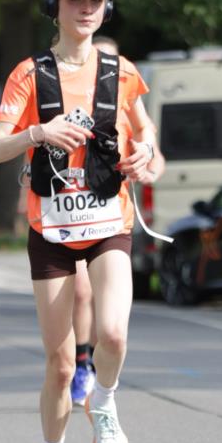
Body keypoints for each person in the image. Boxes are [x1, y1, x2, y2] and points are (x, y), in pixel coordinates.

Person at [0, 0, 156, 443]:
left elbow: (147, 133)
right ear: (53, 5)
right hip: (51, 230)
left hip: (108, 222)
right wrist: (37, 132)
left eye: (96, 0)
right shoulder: (29, 75)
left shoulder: (121, 71)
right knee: (59, 366)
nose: (87, 9)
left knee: (113, 335)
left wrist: (148, 155)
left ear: (107, 8)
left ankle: (103, 401)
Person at [69, 35, 165, 406]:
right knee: (81, 291)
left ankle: (95, 365)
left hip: (112, 216)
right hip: (71, 216)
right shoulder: (67, 99)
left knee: (107, 312)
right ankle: (80, 363)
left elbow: (154, 156)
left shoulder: (126, 107)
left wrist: (147, 167)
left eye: (107, 61)